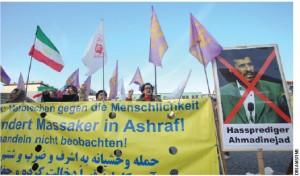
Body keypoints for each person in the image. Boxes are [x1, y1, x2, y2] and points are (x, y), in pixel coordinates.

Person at [220, 54, 290, 124]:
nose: (248, 69)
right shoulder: (223, 93)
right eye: (242, 66)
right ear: (231, 70)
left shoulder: (274, 88)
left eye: (250, 65)